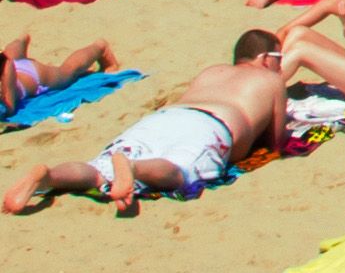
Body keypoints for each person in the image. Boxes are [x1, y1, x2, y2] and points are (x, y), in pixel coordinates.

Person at [3, 30, 296, 217]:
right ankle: (133, 167)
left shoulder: (213, 71)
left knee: (97, 170)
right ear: (264, 58)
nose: (281, 65)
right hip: (211, 126)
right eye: (279, 57)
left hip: (165, 117)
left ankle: (51, 176)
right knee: (178, 170)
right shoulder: (270, 80)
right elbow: (275, 141)